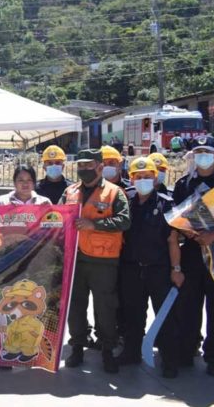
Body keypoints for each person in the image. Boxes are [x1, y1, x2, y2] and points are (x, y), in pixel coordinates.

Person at [172, 135, 214, 376]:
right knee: (188, 306)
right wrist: (189, 233)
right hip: (192, 254)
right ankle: (187, 350)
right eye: (198, 152)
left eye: (207, 152)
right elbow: (176, 219)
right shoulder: (183, 184)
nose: (203, 156)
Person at [61, 149, 131, 374]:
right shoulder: (70, 191)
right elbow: (56, 217)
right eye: (80, 165)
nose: (84, 170)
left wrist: (95, 224)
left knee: (105, 307)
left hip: (103, 261)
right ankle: (78, 347)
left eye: (89, 165)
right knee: (76, 307)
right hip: (75, 260)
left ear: (100, 167)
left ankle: (107, 350)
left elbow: (125, 221)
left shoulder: (114, 192)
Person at [116, 157, 181, 379]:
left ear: (155, 179)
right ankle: (132, 353)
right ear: (132, 179)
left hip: (159, 270)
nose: (143, 180)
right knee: (133, 315)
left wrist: (177, 269)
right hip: (132, 268)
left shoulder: (166, 203)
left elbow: (173, 240)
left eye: (148, 177)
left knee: (164, 316)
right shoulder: (126, 200)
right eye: (138, 177)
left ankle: (170, 359)